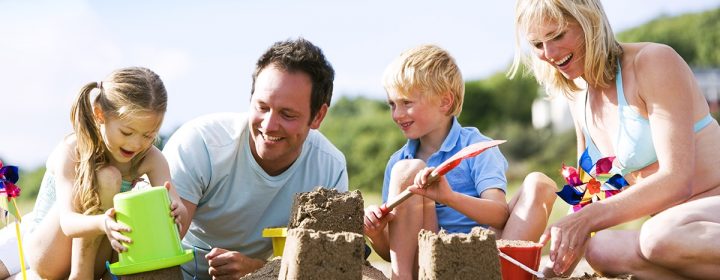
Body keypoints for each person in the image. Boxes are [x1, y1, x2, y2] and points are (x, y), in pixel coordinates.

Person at [509, 0, 720, 278]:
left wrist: (587, 219)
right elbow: (588, 196)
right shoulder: (578, 97)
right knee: (602, 250)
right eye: (537, 44)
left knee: (657, 237)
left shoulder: (653, 62)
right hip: (678, 234)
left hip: (705, 210)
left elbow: (678, 180)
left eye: (557, 35)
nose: (549, 53)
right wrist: (552, 269)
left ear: (590, 22)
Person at [363, 44, 558, 279]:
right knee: (408, 169)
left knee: (540, 183)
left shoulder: (476, 147)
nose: (397, 114)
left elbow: (499, 214)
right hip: (428, 266)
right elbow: (390, 252)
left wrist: (449, 197)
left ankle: (506, 274)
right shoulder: (399, 163)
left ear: (445, 102)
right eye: (392, 105)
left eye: (407, 103)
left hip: (482, 260)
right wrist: (375, 233)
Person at [162, 37, 348, 280]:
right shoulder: (200, 143)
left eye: (287, 114)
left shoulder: (329, 167)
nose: (269, 125)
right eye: (262, 107)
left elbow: (324, 267)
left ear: (318, 116)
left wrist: (258, 270)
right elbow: (162, 244)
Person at [0, 67, 187, 279]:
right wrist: (102, 223)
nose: (136, 143)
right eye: (127, 132)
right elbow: (69, 223)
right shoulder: (73, 149)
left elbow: (175, 202)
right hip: (49, 255)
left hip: (102, 254)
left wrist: (176, 211)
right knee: (107, 177)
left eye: (148, 135)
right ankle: (81, 274)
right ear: (100, 114)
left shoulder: (152, 158)